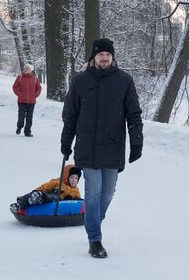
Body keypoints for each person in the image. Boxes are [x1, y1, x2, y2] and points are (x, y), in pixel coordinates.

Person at [61, 38, 143, 259]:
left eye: (108, 55)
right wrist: (66, 143)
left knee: (107, 193)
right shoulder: (80, 81)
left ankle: (94, 219)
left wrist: (136, 142)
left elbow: (134, 114)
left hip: (113, 147)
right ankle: (94, 239)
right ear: (93, 57)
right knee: (93, 193)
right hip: (87, 148)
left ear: (112, 57)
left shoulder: (124, 81)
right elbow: (70, 116)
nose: (104, 58)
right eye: (100, 55)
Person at [9, 164, 82, 214]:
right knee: (44, 195)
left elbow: (78, 200)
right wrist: (37, 190)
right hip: (51, 193)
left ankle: (38, 198)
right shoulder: (58, 182)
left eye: (76, 178)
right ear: (66, 177)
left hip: (58, 199)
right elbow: (45, 186)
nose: (74, 180)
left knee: (52, 198)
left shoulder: (76, 190)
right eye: (71, 177)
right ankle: (19, 204)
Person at [12, 64, 42, 137]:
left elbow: (39, 88)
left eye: (27, 68)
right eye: (25, 68)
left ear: (30, 70)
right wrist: (19, 94)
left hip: (31, 101)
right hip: (21, 101)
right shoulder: (20, 78)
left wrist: (36, 95)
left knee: (29, 117)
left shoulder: (35, 78)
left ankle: (27, 131)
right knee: (21, 116)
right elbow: (15, 87)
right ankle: (19, 127)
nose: (25, 69)